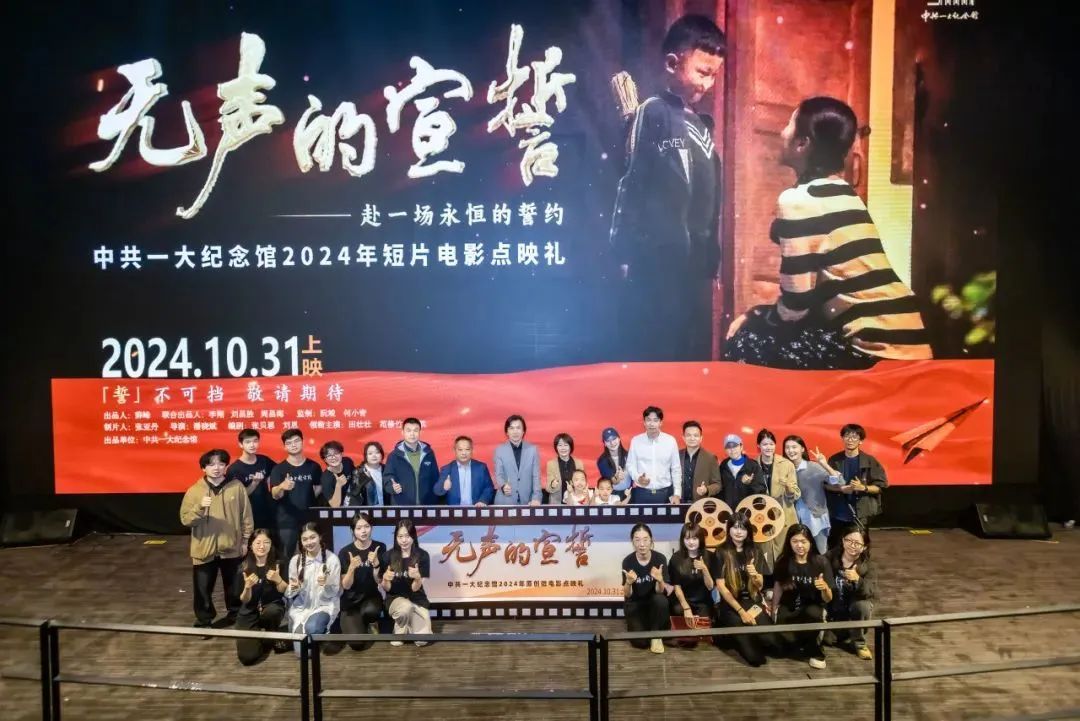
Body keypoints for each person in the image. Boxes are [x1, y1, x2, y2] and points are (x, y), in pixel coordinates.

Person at [724, 96, 931, 369]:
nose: (781, 132)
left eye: (789, 124)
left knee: (744, 340)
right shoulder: (847, 194)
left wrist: (755, 317)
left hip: (874, 348)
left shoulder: (797, 201)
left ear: (802, 144)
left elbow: (795, 308)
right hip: (913, 341)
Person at [610, 14, 726, 361]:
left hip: (695, 259)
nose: (708, 84)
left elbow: (710, 199)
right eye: (702, 72)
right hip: (657, 254)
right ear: (673, 64)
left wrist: (712, 259)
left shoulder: (703, 124)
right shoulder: (653, 112)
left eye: (714, 75)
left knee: (689, 342)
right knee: (658, 340)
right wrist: (624, 250)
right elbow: (633, 181)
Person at [180, 449, 253, 628]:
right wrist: (199, 508)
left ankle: (235, 615)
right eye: (211, 464)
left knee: (235, 585)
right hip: (204, 548)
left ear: (226, 466)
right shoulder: (194, 491)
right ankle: (204, 620)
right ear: (203, 468)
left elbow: (246, 516)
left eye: (221, 463)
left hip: (232, 546)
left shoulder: (236, 487)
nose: (217, 468)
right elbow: (185, 520)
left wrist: (245, 540)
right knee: (202, 588)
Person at [714, 512, 779, 666]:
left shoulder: (755, 550)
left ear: (748, 531)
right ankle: (731, 635)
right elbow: (721, 587)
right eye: (735, 527)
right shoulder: (721, 552)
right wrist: (742, 612)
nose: (738, 532)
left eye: (743, 528)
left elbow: (760, 586)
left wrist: (755, 575)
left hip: (752, 601)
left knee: (773, 643)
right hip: (731, 605)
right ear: (729, 529)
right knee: (756, 659)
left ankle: (743, 636)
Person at [772, 524, 834, 669]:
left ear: (810, 542)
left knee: (812, 614)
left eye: (803, 541)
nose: (799, 545)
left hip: (813, 606)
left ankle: (816, 651)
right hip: (790, 606)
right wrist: (774, 609)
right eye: (795, 541)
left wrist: (824, 588)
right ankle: (801, 641)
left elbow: (828, 598)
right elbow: (778, 586)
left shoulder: (821, 562)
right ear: (789, 542)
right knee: (782, 646)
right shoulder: (783, 561)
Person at [284, 522, 341, 656]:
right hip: (301, 608)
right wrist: (294, 588)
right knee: (302, 654)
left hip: (324, 606)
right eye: (305, 539)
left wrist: (327, 583)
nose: (309, 542)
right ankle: (300, 628)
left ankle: (323, 630)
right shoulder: (295, 561)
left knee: (312, 627)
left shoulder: (332, 559)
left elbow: (335, 592)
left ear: (320, 537)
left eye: (312, 537)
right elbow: (289, 593)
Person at [234, 529, 288, 665]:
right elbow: (244, 600)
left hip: (271, 608)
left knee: (273, 611)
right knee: (247, 657)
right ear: (251, 545)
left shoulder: (279, 563)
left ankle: (271, 631)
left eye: (266, 542)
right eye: (258, 543)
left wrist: (278, 580)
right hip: (249, 612)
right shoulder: (243, 567)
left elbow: (285, 591)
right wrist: (247, 587)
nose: (262, 546)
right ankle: (265, 638)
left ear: (271, 545)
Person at [268, 429, 322, 561]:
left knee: (313, 556)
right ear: (284, 446)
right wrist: (282, 486)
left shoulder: (314, 466)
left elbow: (318, 487)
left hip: (309, 519)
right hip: (287, 522)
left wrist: (307, 498)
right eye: (289, 443)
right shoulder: (278, 469)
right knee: (286, 558)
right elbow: (274, 494)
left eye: (296, 441)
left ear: (302, 442)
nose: (293, 445)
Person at [826, 423, 887, 541]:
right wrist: (841, 489)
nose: (850, 440)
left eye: (854, 437)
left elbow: (881, 487)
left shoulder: (870, 461)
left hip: (860, 513)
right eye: (847, 436)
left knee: (859, 545)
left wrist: (863, 487)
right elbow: (826, 485)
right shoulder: (834, 460)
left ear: (861, 441)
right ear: (842, 438)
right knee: (836, 545)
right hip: (837, 512)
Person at [824, 524, 877, 660]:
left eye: (857, 543)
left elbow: (870, 591)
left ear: (864, 547)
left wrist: (858, 580)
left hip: (854, 610)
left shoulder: (868, 565)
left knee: (862, 606)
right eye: (849, 540)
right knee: (827, 640)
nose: (852, 546)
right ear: (843, 540)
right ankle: (844, 631)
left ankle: (859, 643)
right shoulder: (829, 557)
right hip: (834, 611)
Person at [338, 512, 387, 650]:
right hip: (350, 604)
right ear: (352, 531)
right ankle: (357, 624)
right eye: (359, 528)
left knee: (371, 611)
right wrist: (351, 568)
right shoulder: (345, 552)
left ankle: (371, 622)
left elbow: (379, 581)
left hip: (371, 599)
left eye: (367, 526)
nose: (363, 531)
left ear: (372, 527)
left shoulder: (379, 548)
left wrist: (376, 564)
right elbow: (346, 586)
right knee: (357, 644)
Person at [622, 523, 673, 654]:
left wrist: (660, 580)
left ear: (651, 540)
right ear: (632, 542)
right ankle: (649, 627)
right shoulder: (628, 561)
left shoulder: (660, 558)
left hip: (653, 603)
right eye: (637, 540)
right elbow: (627, 595)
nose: (642, 544)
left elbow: (660, 591)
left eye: (645, 539)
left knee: (661, 600)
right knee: (640, 643)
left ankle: (656, 634)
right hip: (636, 604)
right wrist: (628, 583)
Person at [381, 519, 433, 646]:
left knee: (422, 641)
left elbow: (415, 588)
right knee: (405, 608)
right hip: (396, 600)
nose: (404, 540)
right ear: (396, 537)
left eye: (407, 536)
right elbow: (387, 588)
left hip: (417, 600)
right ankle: (400, 625)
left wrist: (417, 578)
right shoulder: (387, 556)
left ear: (413, 536)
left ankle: (409, 624)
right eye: (400, 536)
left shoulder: (423, 555)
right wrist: (385, 579)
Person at [783, 435, 836, 554]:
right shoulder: (784, 470)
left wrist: (824, 464)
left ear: (802, 449)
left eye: (794, 447)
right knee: (797, 554)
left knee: (820, 552)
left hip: (815, 518)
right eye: (787, 447)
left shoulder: (813, 467)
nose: (790, 450)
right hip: (793, 519)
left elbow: (837, 481)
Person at [757, 429, 799, 572]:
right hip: (762, 517)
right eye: (764, 444)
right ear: (758, 446)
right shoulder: (752, 464)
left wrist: (788, 488)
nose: (768, 447)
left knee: (784, 555)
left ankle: (784, 581)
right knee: (765, 555)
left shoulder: (787, 464)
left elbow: (794, 494)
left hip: (784, 514)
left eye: (771, 444)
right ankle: (767, 581)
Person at [625, 406, 682, 504]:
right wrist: (638, 477)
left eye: (655, 420)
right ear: (644, 422)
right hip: (641, 493)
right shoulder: (636, 441)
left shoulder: (670, 441)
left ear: (661, 423)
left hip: (665, 493)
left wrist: (677, 494)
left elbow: (676, 469)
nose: (651, 424)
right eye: (648, 420)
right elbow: (630, 465)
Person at [226, 428, 277, 533]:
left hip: (268, 511)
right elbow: (238, 496)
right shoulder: (234, 469)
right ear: (241, 444)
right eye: (248, 442)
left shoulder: (264, 460)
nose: (252, 445)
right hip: (248, 515)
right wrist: (254, 483)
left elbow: (278, 472)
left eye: (255, 441)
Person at [668, 523, 717, 627]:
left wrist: (704, 569)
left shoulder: (710, 556)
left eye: (694, 538)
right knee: (678, 612)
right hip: (682, 602)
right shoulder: (676, 558)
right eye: (687, 538)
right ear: (682, 540)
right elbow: (677, 587)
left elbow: (710, 587)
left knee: (702, 627)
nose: (691, 542)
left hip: (703, 602)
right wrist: (686, 608)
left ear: (700, 539)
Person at [384, 417, 440, 506]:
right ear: (402, 432)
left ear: (420, 432)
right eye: (408, 430)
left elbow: (435, 477)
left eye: (415, 430)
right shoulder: (394, 455)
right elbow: (387, 478)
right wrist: (392, 487)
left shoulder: (428, 453)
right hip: (401, 505)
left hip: (427, 505)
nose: (412, 434)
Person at [493, 415, 542, 506]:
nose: (515, 431)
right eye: (511, 428)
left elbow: (536, 476)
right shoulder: (499, 450)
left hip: (528, 501)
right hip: (505, 501)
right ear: (507, 432)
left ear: (523, 431)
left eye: (518, 428)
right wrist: (503, 486)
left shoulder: (533, 450)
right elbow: (498, 474)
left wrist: (536, 498)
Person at [434, 436, 495, 507]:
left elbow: (488, 487)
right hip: (454, 511)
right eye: (460, 450)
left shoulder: (481, 468)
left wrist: (483, 500)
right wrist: (444, 487)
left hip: (476, 509)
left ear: (472, 450)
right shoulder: (447, 469)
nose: (464, 453)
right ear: (455, 450)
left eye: (467, 449)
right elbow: (437, 491)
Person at [719, 434, 767, 510]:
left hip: (747, 512)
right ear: (725, 450)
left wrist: (749, 484)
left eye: (735, 446)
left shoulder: (753, 466)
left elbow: (761, 492)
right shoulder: (723, 466)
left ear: (741, 447)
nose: (732, 450)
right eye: (728, 447)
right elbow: (720, 490)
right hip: (728, 512)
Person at [679, 421, 722, 502]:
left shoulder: (710, 458)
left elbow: (718, 484)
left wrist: (706, 489)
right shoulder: (677, 456)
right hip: (679, 503)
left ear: (701, 438)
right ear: (683, 437)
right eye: (688, 435)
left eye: (695, 435)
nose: (692, 438)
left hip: (700, 504)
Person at [546, 433, 585, 504]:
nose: (563, 448)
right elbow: (548, 488)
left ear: (570, 447)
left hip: (576, 503)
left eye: (566, 445)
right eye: (560, 445)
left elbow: (583, 484)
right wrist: (552, 485)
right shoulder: (551, 464)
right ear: (556, 447)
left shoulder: (579, 463)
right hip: (557, 503)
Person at [318, 440, 355, 507]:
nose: (333, 457)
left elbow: (356, 476)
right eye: (329, 455)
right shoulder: (326, 478)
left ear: (341, 454)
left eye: (336, 453)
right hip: (336, 511)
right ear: (325, 460)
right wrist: (338, 485)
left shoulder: (347, 462)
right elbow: (335, 505)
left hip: (352, 504)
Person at [596, 427, 630, 496]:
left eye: (614, 439)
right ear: (604, 443)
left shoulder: (629, 455)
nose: (612, 443)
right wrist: (617, 478)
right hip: (612, 494)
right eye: (608, 440)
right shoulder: (602, 461)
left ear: (619, 439)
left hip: (629, 491)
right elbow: (614, 481)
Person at [355, 441, 387, 507]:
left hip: (387, 510)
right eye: (370, 453)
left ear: (382, 454)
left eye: (377, 452)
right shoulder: (359, 472)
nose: (374, 456)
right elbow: (354, 494)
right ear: (366, 456)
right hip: (366, 511)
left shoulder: (387, 470)